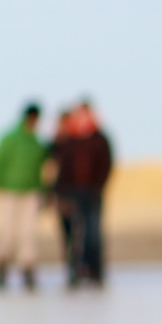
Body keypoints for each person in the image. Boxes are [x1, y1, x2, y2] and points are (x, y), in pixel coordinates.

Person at [0, 103, 48, 290]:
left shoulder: (37, 143)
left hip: (31, 193)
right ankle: (1, 265)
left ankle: (28, 268)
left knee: (27, 233)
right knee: (8, 232)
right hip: (8, 192)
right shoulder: (9, 140)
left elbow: (44, 170)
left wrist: (44, 192)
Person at [49, 100, 114, 288]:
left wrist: (99, 186)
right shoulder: (70, 139)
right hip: (73, 194)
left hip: (93, 193)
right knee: (74, 234)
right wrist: (61, 193)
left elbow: (106, 165)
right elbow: (61, 167)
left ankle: (95, 270)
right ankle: (75, 270)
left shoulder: (100, 138)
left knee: (93, 233)